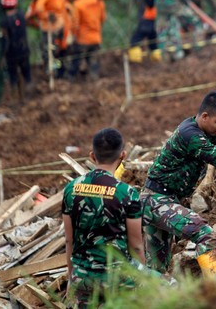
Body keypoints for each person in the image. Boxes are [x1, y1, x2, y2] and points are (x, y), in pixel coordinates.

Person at [141, 91, 216, 277]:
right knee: (203, 232)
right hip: (156, 200)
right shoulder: (190, 135)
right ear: (205, 116)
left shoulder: (201, 129)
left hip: (162, 201)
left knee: (157, 268)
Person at [63, 128, 158, 307]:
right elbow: (136, 246)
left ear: (92, 156)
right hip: (117, 278)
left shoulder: (71, 189)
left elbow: (69, 241)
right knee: (172, 287)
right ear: (122, 156)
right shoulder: (127, 193)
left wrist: (72, 279)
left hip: (82, 277)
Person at [31, 0, 70, 77]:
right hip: (61, 24)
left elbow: (39, 8)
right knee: (59, 50)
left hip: (50, 27)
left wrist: (46, 16)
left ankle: (52, 72)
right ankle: (61, 72)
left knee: (48, 51)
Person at [69, 0, 106, 80]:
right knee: (93, 65)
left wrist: (73, 37)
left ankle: (71, 82)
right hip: (96, 38)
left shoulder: (78, 4)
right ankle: (93, 83)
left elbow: (75, 25)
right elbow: (103, 18)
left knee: (75, 62)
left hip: (82, 40)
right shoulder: (99, 1)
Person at [0, 0, 32, 103]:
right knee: (26, 75)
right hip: (24, 51)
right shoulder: (22, 15)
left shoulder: (4, 21)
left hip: (12, 54)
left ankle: (15, 100)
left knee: (13, 77)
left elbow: (4, 40)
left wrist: (2, 57)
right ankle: (28, 99)